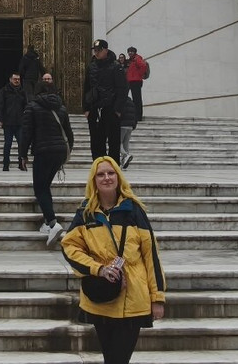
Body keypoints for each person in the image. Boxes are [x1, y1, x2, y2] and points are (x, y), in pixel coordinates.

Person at [61, 156, 166, 364]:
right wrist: (97, 269)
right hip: (102, 297)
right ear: (94, 181)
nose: (106, 178)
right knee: (111, 358)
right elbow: (69, 247)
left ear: (118, 176)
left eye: (111, 173)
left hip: (133, 299)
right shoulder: (85, 213)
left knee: (118, 359)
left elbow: (151, 254)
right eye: (100, 174)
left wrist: (158, 297)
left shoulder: (134, 210)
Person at [18, 72, 75, 247]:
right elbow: (69, 133)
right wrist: (66, 151)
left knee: (40, 188)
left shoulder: (32, 106)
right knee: (45, 186)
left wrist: (22, 154)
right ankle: (46, 221)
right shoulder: (61, 107)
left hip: (43, 151)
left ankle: (52, 223)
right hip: (58, 152)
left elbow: (26, 132)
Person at [83, 39, 127, 161]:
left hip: (110, 108)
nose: (96, 53)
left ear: (106, 50)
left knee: (113, 141)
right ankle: (98, 166)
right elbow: (86, 87)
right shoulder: (91, 66)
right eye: (95, 50)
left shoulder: (116, 67)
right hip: (94, 108)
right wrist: (86, 108)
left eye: (99, 50)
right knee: (96, 140)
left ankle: (113, 168)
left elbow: (122, 89)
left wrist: (118, 109)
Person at [0, 72, 27, 171]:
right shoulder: (4, 91)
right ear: (10, 79)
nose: (17, 81)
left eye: (18, 79)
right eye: (15, 79)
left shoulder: (23, 91)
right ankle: (6, 164)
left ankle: (21, 164)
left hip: (20, 122)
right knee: (7, 144)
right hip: (8, 122)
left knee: (21, 144)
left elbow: (26, 106)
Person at [124, 47, 149, 121]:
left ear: (134, 52)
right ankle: (136, 115)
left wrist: (139, 75)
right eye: (129, 52)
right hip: (131, 80)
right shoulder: (132, 60)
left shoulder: (137, 58)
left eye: (131, 51)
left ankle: (138, 116)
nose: (130, 53)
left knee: (137, 99)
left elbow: (143, 66)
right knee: (135, 98)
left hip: (136, 81)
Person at [118, 89, 138, 170]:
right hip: (130, 126)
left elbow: (121, 113)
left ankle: (125, 155)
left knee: (118, 142)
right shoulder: (131, 101)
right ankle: (124, 163)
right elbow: (135, 114)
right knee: (126, 144)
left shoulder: (121, 101)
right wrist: (134, 125)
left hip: (122, 125)